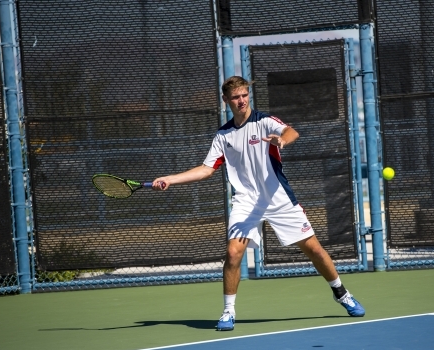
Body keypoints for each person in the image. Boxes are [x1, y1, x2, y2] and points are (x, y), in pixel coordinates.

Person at [152, 76, 365, 331]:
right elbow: (207, 169)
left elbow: (290, 130)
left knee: (315, 251)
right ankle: (228, 312)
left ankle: (340, 292)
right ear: (226, 100)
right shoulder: (223, 136)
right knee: (233, 254)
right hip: (245, 202)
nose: (241, 100)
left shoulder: (264, 122)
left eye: (244, 95)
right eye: (235, 97)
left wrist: (282, 140)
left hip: (278, 198)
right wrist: (170, 179)